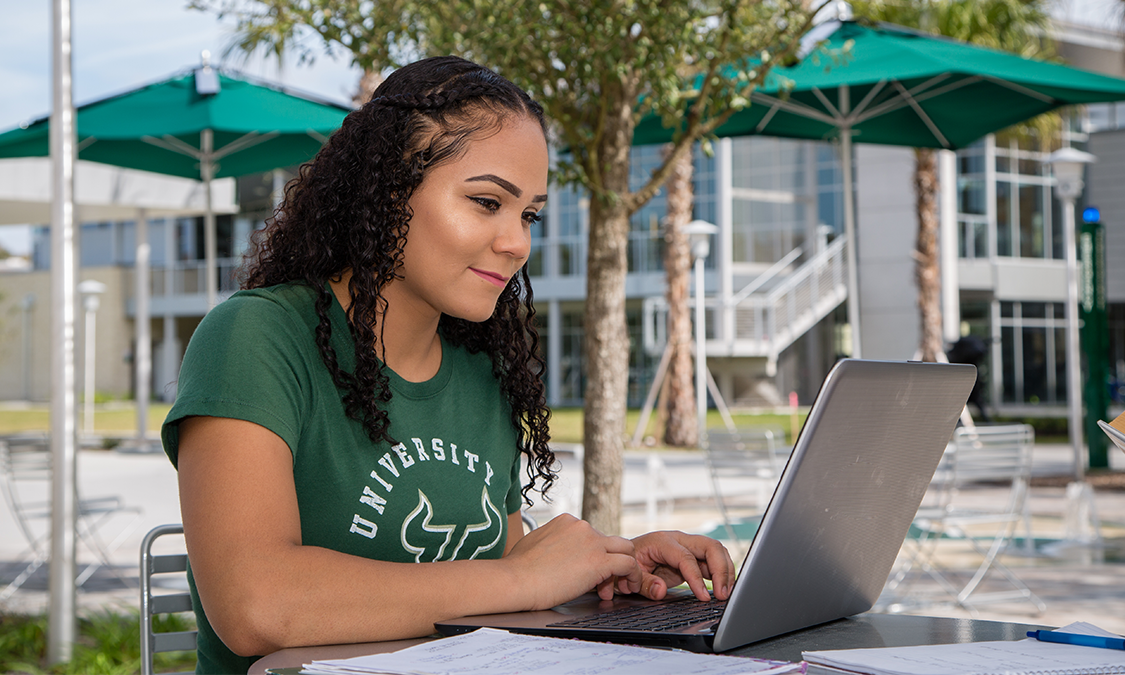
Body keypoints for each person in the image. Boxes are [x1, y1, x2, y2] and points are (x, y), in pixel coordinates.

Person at [161, 55, 735, 675]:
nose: (518, 242)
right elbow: (256, 604)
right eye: (487, 202)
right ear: (386, 193)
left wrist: (609, 566)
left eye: (529, 214)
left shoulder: (481, 370)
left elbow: (501, 582)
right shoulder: (257, 337)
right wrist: (521, 578)